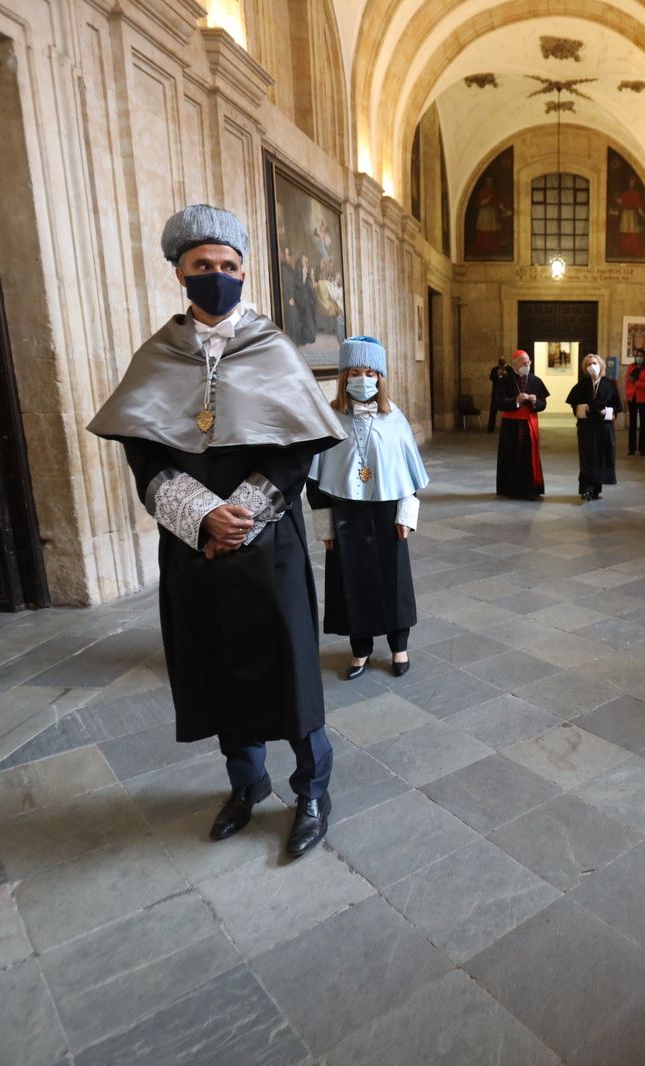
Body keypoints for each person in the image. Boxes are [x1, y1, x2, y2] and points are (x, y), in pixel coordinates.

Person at [87, 203, 345, 860]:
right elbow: (144, 456)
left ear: (243, 271)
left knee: (291, 672)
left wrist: (245, 514)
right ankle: (246, 783)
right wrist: (202, 513)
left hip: (269, 543)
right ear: (180, 272)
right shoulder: (157, 355)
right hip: (191, 543)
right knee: (218, 667)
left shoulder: (272, 347)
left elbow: (296, 451)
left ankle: (312, 789)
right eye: (204, 266)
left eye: (229, 266)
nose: (218, 276)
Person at [309, 336, 429, 680]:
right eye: (355, 372)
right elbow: (314, 482)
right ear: (344, 377)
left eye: (371, 372)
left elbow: (411, 475)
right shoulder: (330, 419)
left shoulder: (395, 419)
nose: (363, 379)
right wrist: (325, 528)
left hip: (387, 513)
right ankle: (359, 650)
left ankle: (398, 645)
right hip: (345, 514)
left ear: (381, 377)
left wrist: (406, 517)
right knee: (350, 581)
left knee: (393, 581)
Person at [494, 349, 548, 499]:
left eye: (529, 362)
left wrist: (536, 401)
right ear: (515, 364)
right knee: (511, 455)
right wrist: (515, 401)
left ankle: (531, 489)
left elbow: (544, 404)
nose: (527, 364)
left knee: (529, 456)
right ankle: (511, 489)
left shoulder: (535, 381)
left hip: (530, 423)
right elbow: (498, 403)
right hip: (510, 425)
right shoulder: (505, 381)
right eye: (524, 362)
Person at [566, 353, 620, 501]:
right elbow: (574, 405)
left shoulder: (609, 384)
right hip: (587, 427)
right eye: (589, 364)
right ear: (585, 368)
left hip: (604, 427)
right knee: (587, 457)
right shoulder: (581, 385)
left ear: (601, 365)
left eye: (594, 363)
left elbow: (616, 407)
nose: (592, 367)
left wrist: (606, 411)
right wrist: (585, 408)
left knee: (601, 457)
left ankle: (596, 489)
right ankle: (585, 488)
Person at [624, 347, 645, 456]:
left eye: (641, 356)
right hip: (632, 398)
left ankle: (642, 449)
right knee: (632, 424)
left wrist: (635, 382)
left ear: (644, 358)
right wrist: (629, 390)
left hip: (643, 398)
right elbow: (627, 380)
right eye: (637, 356)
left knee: (643, 424)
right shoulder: (631, 367)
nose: (639, 358)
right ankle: (631, 448)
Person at [486, 354, 511, 433]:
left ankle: (508, 429)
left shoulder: (509, 369)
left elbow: (512, 379)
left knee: (508, 412)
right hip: (496, 393)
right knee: (493, 412)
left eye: (503, 359)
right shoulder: (495, 369)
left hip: (506, 394)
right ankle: (490, 429)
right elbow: (491, 378)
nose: (502, 361)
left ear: (505, 360)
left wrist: (506, 374)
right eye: (500, 360)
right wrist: (497, 374)